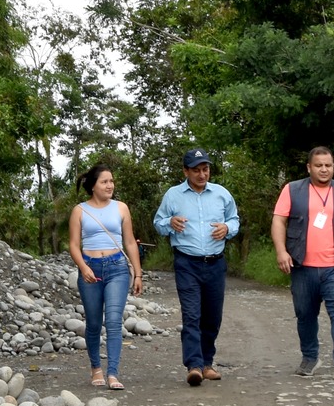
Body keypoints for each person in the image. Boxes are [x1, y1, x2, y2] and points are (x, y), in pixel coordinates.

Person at [271, 146, 334, 379]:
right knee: (305, 315)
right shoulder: (292, 189)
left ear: (333, 167)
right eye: (318, 165)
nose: (324, 169)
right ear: (309, 167)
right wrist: (281, 251)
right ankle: (309, 358)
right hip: (302, 266)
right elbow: (279, 221)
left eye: (328, 165)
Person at [152, 149, 240, 387]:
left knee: (212, 316)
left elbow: (234, 219)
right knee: (192, 315)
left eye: (205, 169)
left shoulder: (221, 194)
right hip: (186, 263)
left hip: (215, 263)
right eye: (196, 170)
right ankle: (194, 365)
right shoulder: (173, 195)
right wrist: (170, 222)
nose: (202, 175)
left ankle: (207, 363)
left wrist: (227, 228)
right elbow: (158, 223)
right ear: (185, 171)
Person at [68, 163, 142, 390]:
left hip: (117, 268)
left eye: (111, 181)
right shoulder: (79, 210)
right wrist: (83, 268)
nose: (110, 185)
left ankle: (112, 373)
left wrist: (138, 274)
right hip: (90, 268)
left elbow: (130, 242)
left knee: (113, 321)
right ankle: (96, 368)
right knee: (93, 323)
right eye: (104, 182)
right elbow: (74, 244)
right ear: (93, 186)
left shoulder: (121, 208)